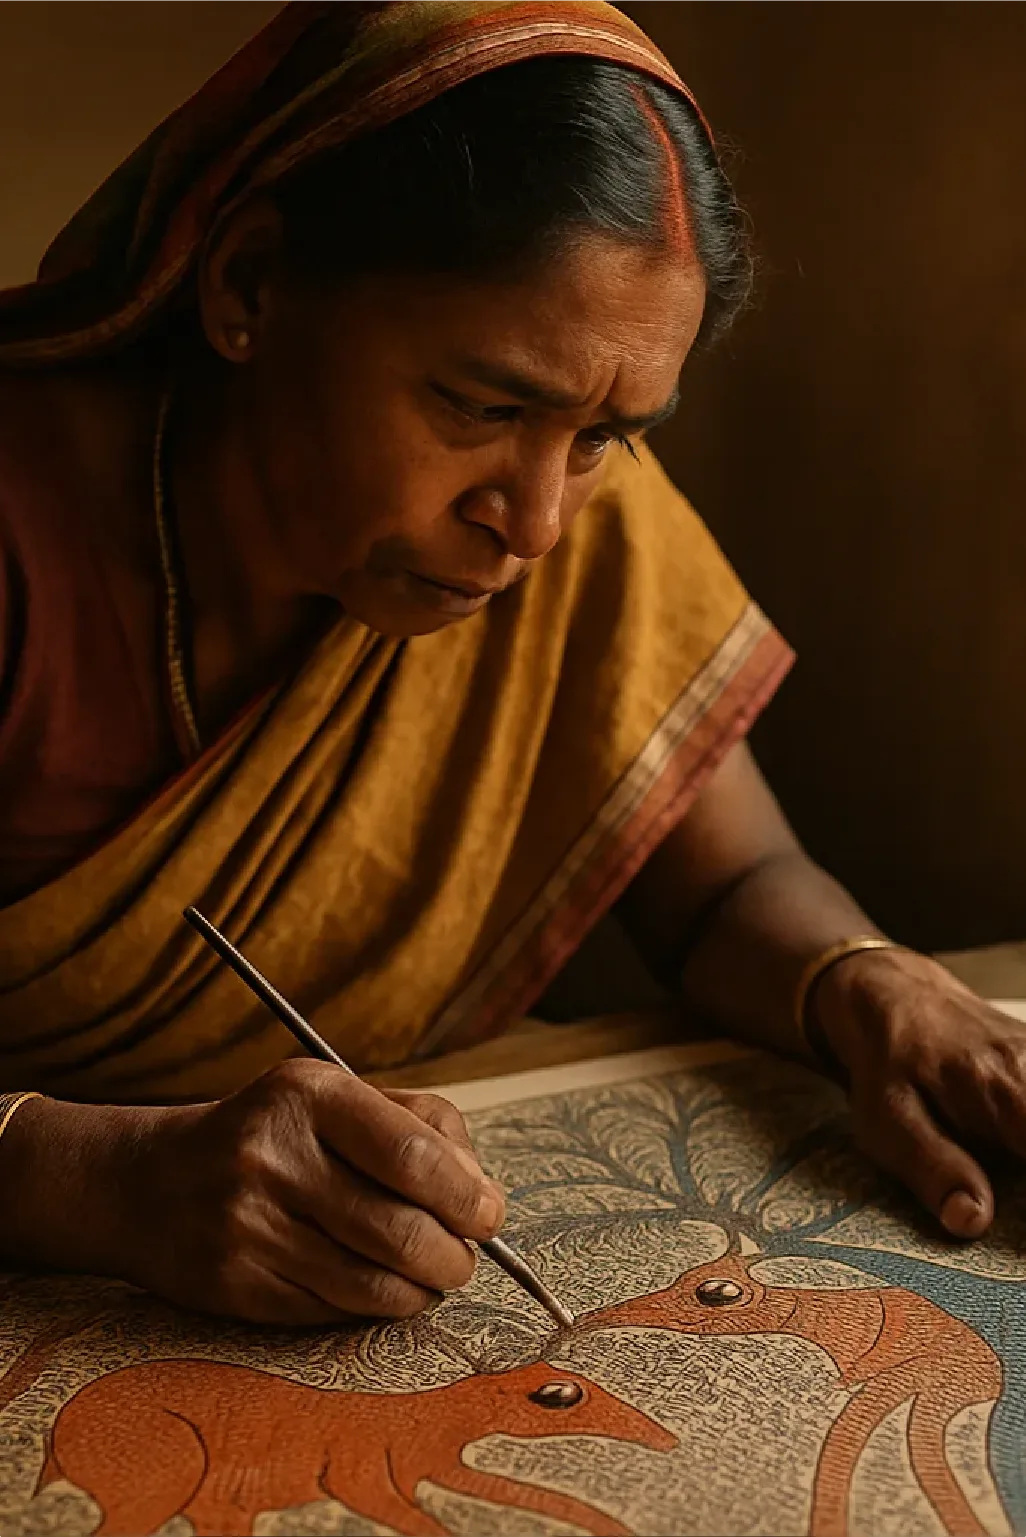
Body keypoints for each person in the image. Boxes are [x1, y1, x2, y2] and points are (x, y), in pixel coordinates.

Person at [0, 0, 1023, 1329]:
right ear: (249, 285)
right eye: (482, 407)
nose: (534, 524)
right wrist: (87, 1179)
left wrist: (861, 979)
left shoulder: (586, 533)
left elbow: (728, 887)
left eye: (600, 435)